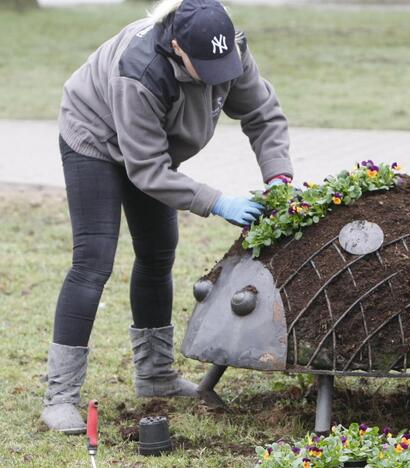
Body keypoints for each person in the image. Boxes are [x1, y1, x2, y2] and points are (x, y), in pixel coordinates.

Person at [41, 0, 293, 433]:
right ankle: (60, 396)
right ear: (178, 48)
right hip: (95, 138)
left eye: (224, 67)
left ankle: (156, 375)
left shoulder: (227, 51)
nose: (219, 79)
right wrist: (217, 201)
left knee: (158, 254)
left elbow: (261, 114)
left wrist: (279, 176)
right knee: (93, 262)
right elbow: (147, 172)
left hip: (153, 151)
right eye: (206, 70)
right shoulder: (139, 72)